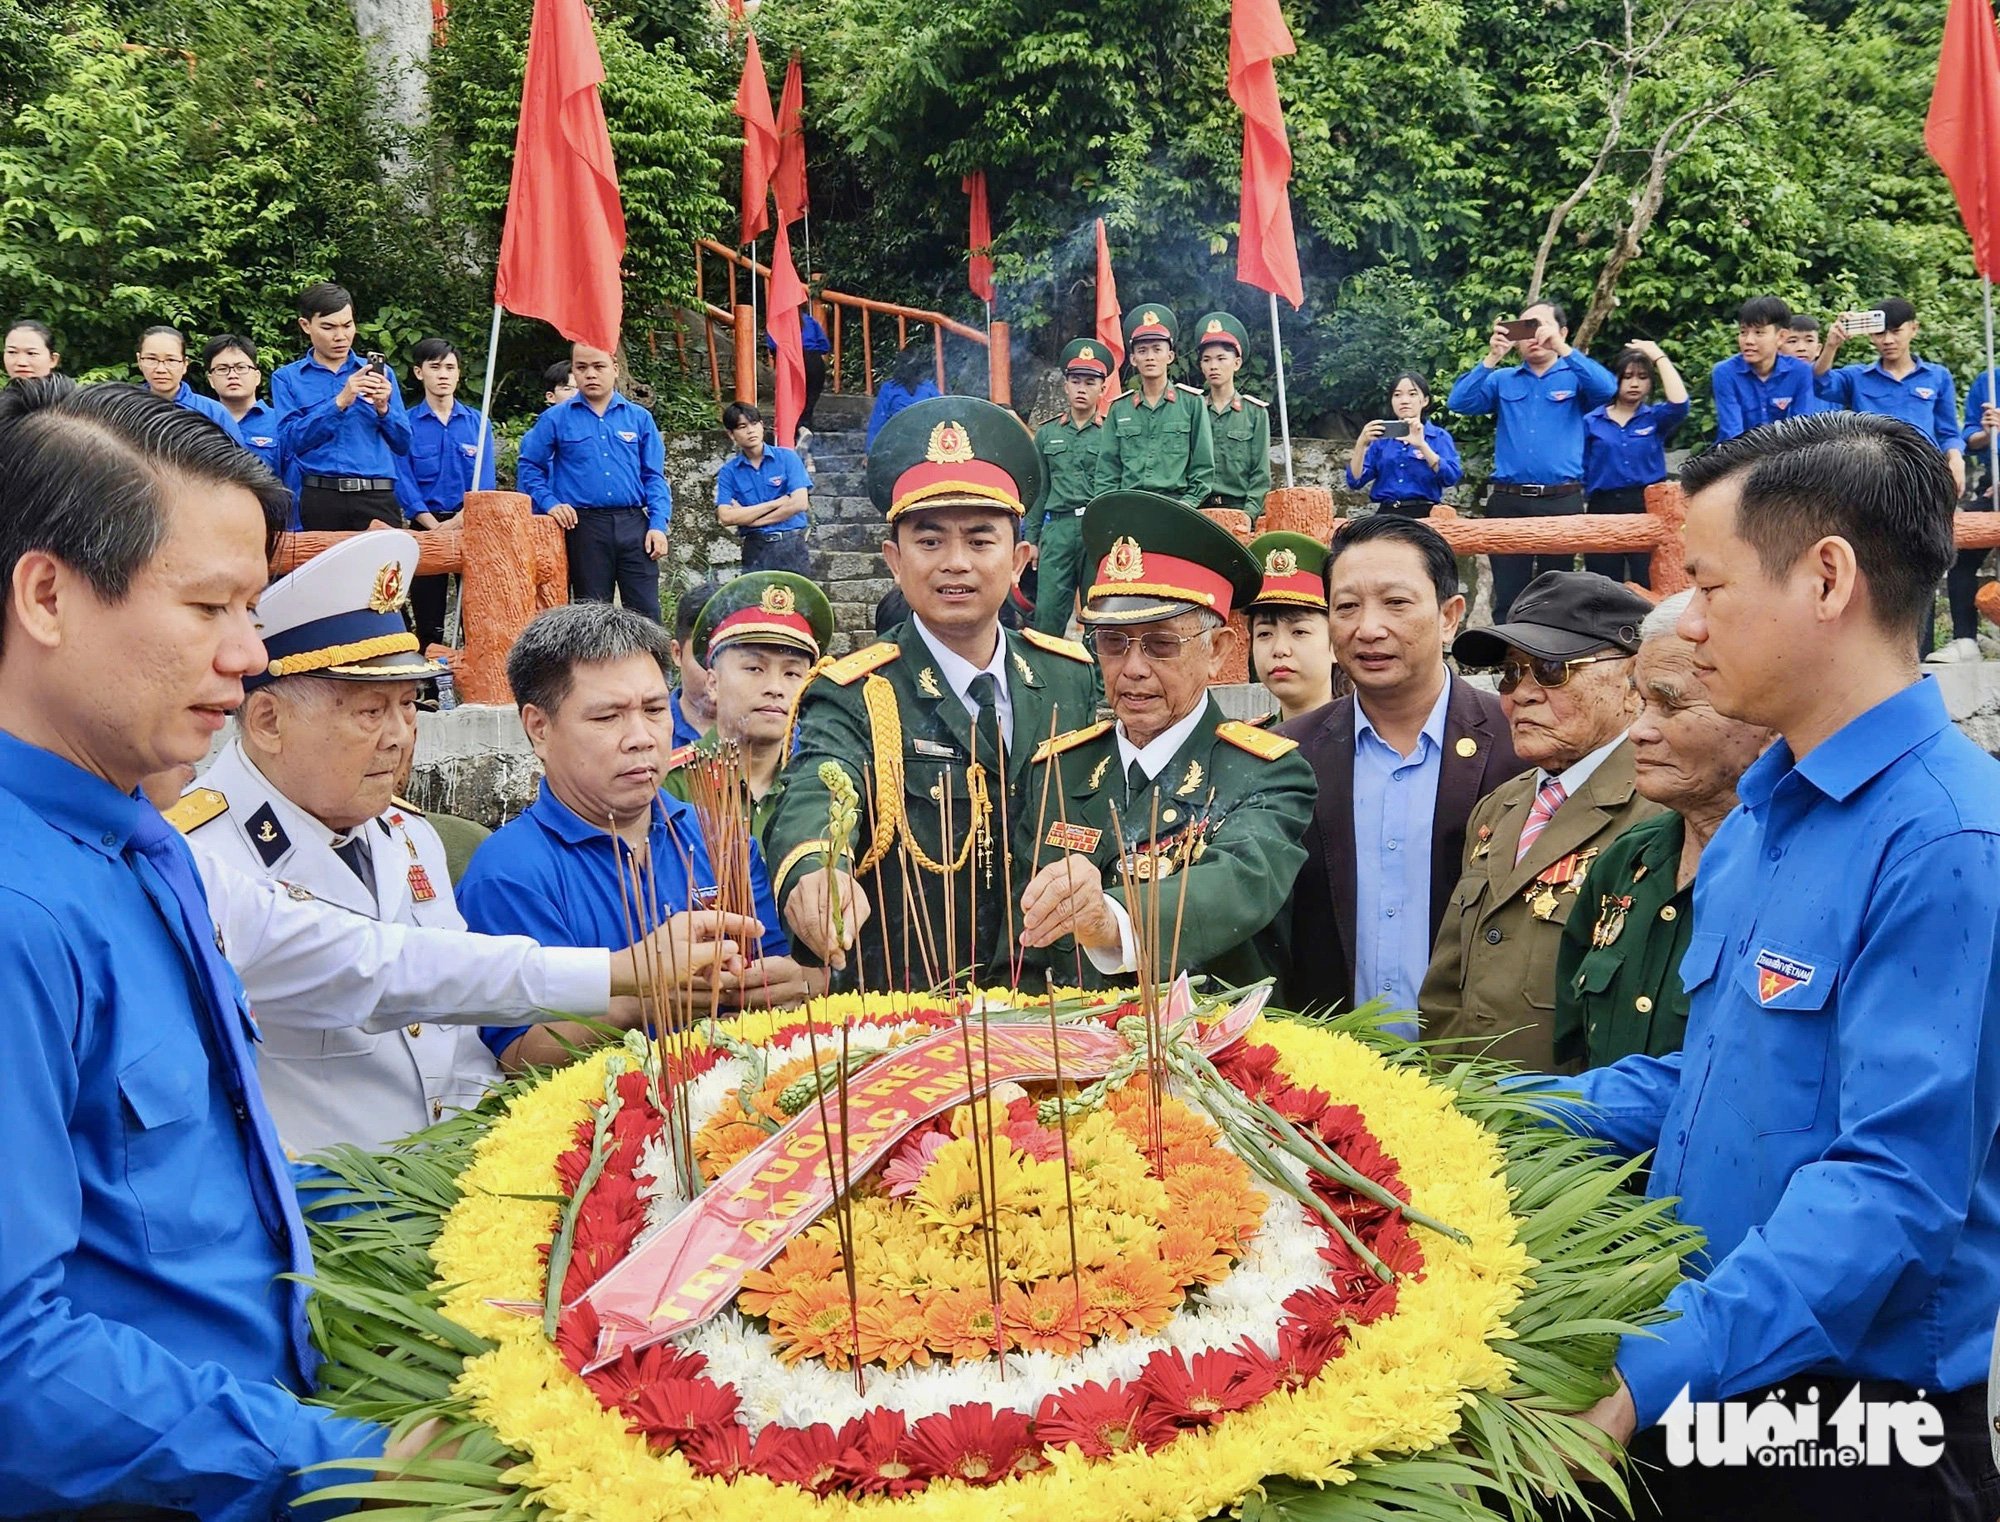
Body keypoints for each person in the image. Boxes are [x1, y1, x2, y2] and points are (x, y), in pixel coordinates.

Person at [0, 377, 455, 1507]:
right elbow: (14, 1363)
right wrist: (345, 1466)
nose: (250, 654)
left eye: (249, 610)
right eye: (210, 609)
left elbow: (198, 1183)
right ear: (48, 595)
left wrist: (466, 1217)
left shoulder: (139, 844)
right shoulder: (20, 906)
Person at [1553, 412, 2000, 1520]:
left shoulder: (1946, 838)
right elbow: (1708, 1078)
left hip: (1848, 1422)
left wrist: (1651, 1371)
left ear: (1825, 578)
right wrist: (1472, 1110)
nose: (1689, 628)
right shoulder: (1761, 816)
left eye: (1708, 587)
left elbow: (1889, 1183)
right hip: (1696, 1358)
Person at [180, 532, 504, 1153]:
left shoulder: (411, 837)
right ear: (268, 721)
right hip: (328, 1223)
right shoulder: (198, 858)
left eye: (408, 706)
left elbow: (455, 1036)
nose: (399, 737)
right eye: (369, 711)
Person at [764, 395, 1100, 991]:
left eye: (979, 540)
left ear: (1021, 559)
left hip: (1049, 1007)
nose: (955, 563)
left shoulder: (1068, 677)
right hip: (909, 1012)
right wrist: (818, 869)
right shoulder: (855, 692)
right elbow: (817, 788)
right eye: (928, 541)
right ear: (893, 559)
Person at [461, 602, 805, 1062]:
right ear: (539, 729)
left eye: (655, 709)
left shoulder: (719, 837)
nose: (641, 737)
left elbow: (779, 971)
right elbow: (520, 1053)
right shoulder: (510, 873)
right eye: (608, 717)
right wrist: (640, 1002)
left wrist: (782, 983)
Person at [1012, 492, 1314, 988]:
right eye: (1112, 643)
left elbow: (1241, 880)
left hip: (1211, 1053)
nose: (1132, 670)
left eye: (1161, 645)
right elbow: (1021, 941)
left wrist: (1114, 921)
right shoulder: (1058, 771)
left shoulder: (1266, 772)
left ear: (1217, 651)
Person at [1279, 514, 1518, 1029]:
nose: (1368, 628)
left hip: (1478, 1068)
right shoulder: (1286, 755)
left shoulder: (1518, 743)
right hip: (1327, 1070)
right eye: (1346, 607)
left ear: (1450, 615)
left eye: (1396, 603)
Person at [1417, 570, 1660, 1068]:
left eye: (1551, 670)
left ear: (1633, 679)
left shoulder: (1662, 811)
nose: (1521, 693)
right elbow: (1446, 988)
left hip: (1584, 1131)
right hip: (1473, 1123)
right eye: (1511, 673)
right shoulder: (1498, 808)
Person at [1552, 590, 1771, 1070]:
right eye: (1641, 700)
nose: (1638, 730)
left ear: (1766, 725)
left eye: (1669, 705)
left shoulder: (1791, 872)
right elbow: (1572, 1049)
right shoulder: (1625, 862)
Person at [1446, 299, 1617, 620]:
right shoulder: (1503, 379)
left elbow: (1608, 390)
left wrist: (1564, 349)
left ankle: (1554, 668)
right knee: (1509, 596)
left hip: (1561, 500)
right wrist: (1492, 357)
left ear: (1562, 331)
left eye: (1541, 326)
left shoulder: (1576, 376)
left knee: (1560, 593)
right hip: (1508, 501)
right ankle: (1511, 668)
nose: (1533, 335)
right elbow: (1459, 402)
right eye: (1525, 328)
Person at [664, 571, 834, 844]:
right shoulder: (669, 786)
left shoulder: (821, 787)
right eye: (755, 668)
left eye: (792, 674)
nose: (775, 688)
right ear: (713, 682)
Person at [516, 342, 672, 622]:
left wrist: (658, 525)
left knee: (646, 613)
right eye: (581, 367)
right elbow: (530, 467)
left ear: (615, 369)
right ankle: (594, 667)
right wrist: (550, 503)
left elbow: (654, 477)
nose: (590, 374)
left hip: (634, 524)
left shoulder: (639, 418)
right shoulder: (555, 418)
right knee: (591, 615)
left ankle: (655, 667)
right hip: (583, 528)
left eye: (598, 367)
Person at [272, 280, 412, 531]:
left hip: (377, 494)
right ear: (306, 326)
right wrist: (340, 402)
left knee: (385, 570)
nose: (341, 336)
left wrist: (383, 409)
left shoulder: (381, 374)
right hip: (320, 496)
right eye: (328, 327)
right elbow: (289, 442)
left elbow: (403, 443)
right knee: (326, 570)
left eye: (347, 325)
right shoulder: (287, 378)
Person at [396, 336, 497, 649]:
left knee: (477, 615)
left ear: (459, 373)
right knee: (429, 617)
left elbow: (486, 482)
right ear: (418, 373)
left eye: (450, 367)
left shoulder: (478, 424)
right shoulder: (406, 424)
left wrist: (456, 523)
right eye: (435, 367)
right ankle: (432, 689)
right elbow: (402, 479)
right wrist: (432, 527)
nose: (443, 374)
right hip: (425, 530)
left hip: (471, 526)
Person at [1815, 297, 1965, 496]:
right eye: (1880, 333)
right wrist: (1831, 345)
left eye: (1896, 331)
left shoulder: (1938, 376)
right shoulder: (1856, 377)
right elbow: (1820, 383)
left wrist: (1956, 459)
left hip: (1923, 474)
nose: (1887, 340)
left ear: (1914, 328)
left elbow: (1948, 432)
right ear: (1870, 335)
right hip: (1870, 476)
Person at [1581, 340, 1689, 587]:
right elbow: (1582, 466)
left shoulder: (1654, 417)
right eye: (1627, 376)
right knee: (1603, 582)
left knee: (1649, 577)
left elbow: (1680, 404)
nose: (1634, 383)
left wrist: (1658, 357)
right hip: (1604, 506)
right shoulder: (1592, 421)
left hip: (1648, 504)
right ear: (1616, 379)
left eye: (1642, 377)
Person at [1028, 338, 1112, 637]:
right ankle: (1048, 682)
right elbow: (1039, 491)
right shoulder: (1048, 434)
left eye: (1090, 382)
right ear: (1065, 385)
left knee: (1100, 614)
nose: (1081, 388)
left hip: (1098, 530)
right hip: (1058, 531)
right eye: (1075, 381)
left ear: (1102, 388)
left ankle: (1099, 683)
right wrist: (1032, 539)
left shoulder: (1112, 432)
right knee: (1048, 614)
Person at [1093, 305, 1215, 505]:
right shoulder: (1119, 409)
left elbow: (1203, 468)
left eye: (1157, 349)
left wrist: (1185, 506)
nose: (1150, 357)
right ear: (1133, 359)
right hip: (1129, 507)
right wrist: (1113, 510)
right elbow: (1107, 471)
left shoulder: (1192, 404)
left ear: (1170, 356)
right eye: (1142, 351)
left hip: (1176, 507)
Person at [1245, 529, 1340, 722]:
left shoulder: (1370, 741)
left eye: (1299, 631)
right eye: (1264, 634)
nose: (1279, 649)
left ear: (1335, 644)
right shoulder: (1247, 748)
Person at [1940, 368, 2000, 663]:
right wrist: (1988, 433)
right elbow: (1971, 439)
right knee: (1960, 553)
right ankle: (1965, 640)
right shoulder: (1989, 381)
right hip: (1994, 484)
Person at [1344, 371, 1462, 516]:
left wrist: (1422, 446)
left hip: (1425, 513)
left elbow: (1450, 478)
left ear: (1424, 400)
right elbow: (1355, 482)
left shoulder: (1438, 437)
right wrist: (1361, 444)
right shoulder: (1382, 439)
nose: (1404, 400)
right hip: (1387, 513)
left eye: (1412, 394)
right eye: (1397, 395)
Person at [716, 400, 813, 576]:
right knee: (755, 603)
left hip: (791, 545)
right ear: (731, 434)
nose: (750, 430)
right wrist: (777, 503)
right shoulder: (728, 472)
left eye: (754, 424)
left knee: (798, 602)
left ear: (762, 426)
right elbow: (726, 516)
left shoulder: (787, 458)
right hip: (755, 548)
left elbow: (799, 503)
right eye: (742, 426)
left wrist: (751, 519)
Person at [1193, 311, 1272, 522]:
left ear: (1236, 363)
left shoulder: (1255, 413)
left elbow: (1260, 473)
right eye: (1207, 360)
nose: (1213, 366)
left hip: (1238, 511)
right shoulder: (1192, 409)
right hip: (1197, 510)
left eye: (1221, 358)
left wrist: (1249, 514)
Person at [1710, 295, 1819, 443]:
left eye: (1758, 333)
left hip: (1785, 457)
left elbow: (1802, 428)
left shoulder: (1800, 372)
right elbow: (1732, 433)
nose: (1748, 340)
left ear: (1781, 337)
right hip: (1737, 458)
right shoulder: (1725, 373)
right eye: (1743, 332)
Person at [136, 324, 244, 442]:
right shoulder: (127, 409)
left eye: (171, 360)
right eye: (151, 359)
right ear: (139, 361)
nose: (161, 369)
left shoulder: (213, 412)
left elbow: (237, 458)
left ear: (185, 364)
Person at [202, 332, 285, 480]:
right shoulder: (200, 422)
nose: (232, 375)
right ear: (211, 380)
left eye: (241, 367)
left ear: (257, 376)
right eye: (222, 369)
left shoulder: (281, 423)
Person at [668, 579, 720, 746]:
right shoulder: (649, 731)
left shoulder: (780, 733)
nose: (716, 675)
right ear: (677, 653)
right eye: (706, 659)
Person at [766, 305, 831, 439]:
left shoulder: (777, 323)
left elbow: (772, 346)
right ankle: (805, 429)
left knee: (791, 400)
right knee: (810, 400)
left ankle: (795, 433)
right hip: (814, 361)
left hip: (790, 360)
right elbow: (825, 346)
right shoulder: (810, 321)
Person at [865, 342, 941, 451]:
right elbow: (943, 413)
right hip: (926, 446)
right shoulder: (928, 388)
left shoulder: (889, 388)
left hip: (897, 447)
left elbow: (877, 423)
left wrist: (870, 452)